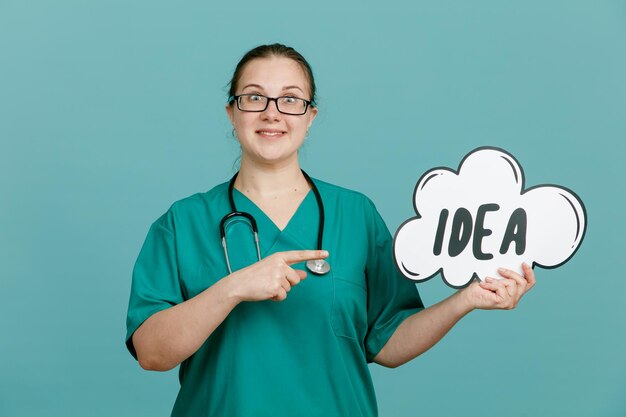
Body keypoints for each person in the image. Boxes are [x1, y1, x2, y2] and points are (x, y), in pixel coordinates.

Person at [125, 43, 535, 417]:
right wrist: (232, 288)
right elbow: (151, 352)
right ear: (232, 112)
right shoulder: (183, 223)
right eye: (254, 98)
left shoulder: (355, 215)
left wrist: (464, 300)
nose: (272, 113)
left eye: (290, 100)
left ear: (310, 116)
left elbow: (387, 342)